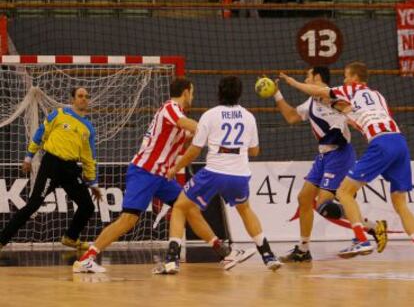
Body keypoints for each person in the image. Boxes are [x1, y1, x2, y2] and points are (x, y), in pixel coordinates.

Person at [73, 78, 249, 273]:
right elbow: (196, 128)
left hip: (162, 177)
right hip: (145, 172)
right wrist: (218, 130)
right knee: (128, 220)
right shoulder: (171, 108)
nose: (193, 96)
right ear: (185, 92)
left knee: (189, 208)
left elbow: (191, 139)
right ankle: (87, 259)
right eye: (192, 92)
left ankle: (224, 252)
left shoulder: (177, 116)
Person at [280, 61, 414, 258]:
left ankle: (361, 240)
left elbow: (324, 93)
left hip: (379, 143)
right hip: (399, 141)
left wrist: (292, 83)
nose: (343, 79)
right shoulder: (378, 95)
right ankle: (306, 248)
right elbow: (366, 115)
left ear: (354, 78)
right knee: (400, 203)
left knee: (344, 192)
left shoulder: (349, 89)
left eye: (345, 76)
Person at [155, 76, 282, 275]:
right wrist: (234, 149)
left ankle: (172, 260)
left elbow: (195, 150)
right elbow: (255, 151)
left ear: (219, 92)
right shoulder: (249, 117)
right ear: (239, 93)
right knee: (245, 209)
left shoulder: (210, 115)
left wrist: (176, 167)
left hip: (213, 172)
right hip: (240, 174)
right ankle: (268, 255)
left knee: (180, 207)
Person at [0, 87, 102, 251]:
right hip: (51, 164)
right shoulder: (59, 114)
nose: (84, 99)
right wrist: (29, 156)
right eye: (80, 96)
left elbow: (89, 157)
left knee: (87, 206)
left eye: (86, 96)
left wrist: (93, 182)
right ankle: (2, 240)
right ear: (72, 100)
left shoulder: (88, 128)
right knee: (33, 204)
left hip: (70, 169)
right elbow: (41, 133)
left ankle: (70, 237)